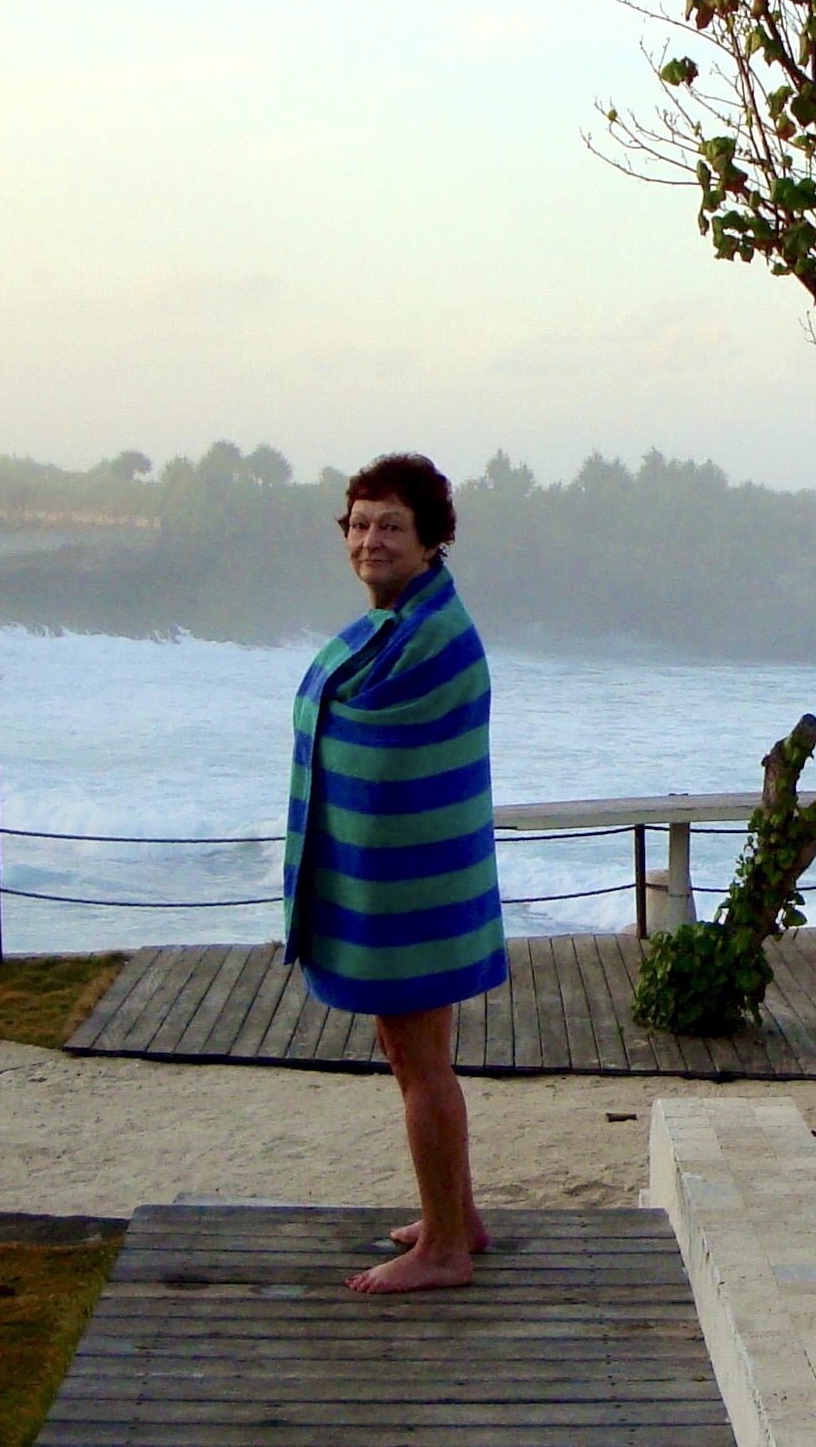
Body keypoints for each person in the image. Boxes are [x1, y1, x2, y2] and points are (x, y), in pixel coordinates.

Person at [282, 452, 506, 1294]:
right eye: (359, 523)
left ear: (431, 538)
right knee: (416, 1056)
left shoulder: (429, 637)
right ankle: (459, 1217)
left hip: (411, 889)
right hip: (414, 884)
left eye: (391, 525)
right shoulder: (407, 622)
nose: (369, 539)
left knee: (419, 1062)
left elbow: (385, 753)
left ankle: (443, 1250)